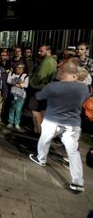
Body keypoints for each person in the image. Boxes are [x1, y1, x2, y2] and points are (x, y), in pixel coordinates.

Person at [29, 61, 90, 193]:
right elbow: (85, 99)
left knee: (44, 141)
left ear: (62, 73)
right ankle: (78, 182)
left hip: (52, 120)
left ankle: (41, 159)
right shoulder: (84, 88)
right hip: (72, 124)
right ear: (75, 75)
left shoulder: (52, 86)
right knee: (73, 152)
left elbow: (39, 96)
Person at [28, 45, 57, 134]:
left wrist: (32, 82)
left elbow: (40, 76)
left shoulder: (47, 61)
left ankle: (38, 131)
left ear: (48, 51)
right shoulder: (52, 61)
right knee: (43, 111)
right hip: (45, 89)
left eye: (41, 51)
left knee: (35, 111)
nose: (38, 52)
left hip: (39, 89)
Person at [6, 62, 29, 131]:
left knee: (18, 110)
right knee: (12, 108)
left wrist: (15, 82)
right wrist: (19, 82)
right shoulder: (12, 73)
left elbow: (26, 85)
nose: (19, 69)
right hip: (13, 94)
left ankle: (17, 123)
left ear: (23, 69)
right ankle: (10, 122)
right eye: (17, 67)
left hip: (21, 96)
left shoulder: (25, 75)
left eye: (21, 68)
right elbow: (8, 81)